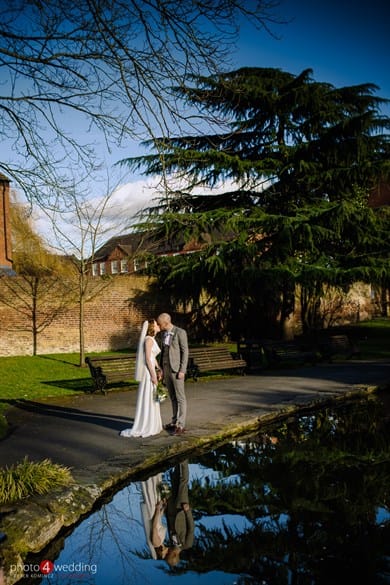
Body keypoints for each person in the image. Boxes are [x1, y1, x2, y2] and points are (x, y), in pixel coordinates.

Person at [120, 319, 163, 438]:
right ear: (151, 327)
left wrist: (159, 368)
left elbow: (153, 358)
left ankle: (153, 424)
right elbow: (148, 359)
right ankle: (146, 425)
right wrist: (153, 375)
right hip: (148, 372)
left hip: (152, 370)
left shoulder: (152, 339)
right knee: (149, 396)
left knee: (153, 397)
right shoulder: (148, 340)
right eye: (156, 324)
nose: (158, 325)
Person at [157, 313, 189, 436]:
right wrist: (161, 369)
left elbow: (185, 352)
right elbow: (164, 351)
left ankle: (181, 425)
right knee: (173, 397)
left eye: (160, 324)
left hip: (177, 370)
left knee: (181, 398)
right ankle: (174, 421)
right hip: (166, 368)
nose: (159, 326)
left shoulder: (180, 332)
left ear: (165, 323)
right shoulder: (163, 334)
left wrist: (182, 370)